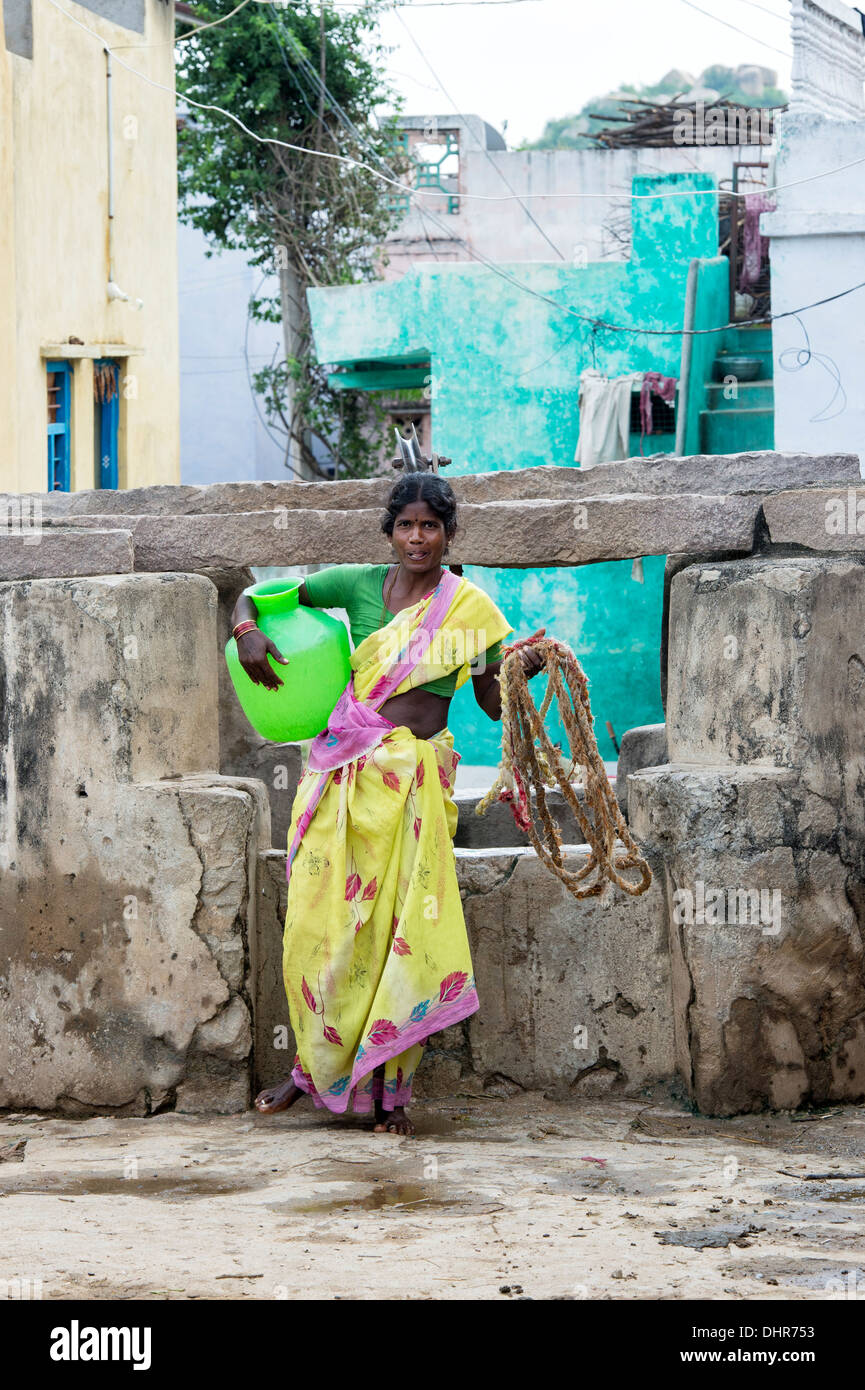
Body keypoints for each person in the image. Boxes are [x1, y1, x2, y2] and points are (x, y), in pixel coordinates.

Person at [231, 472, 544, 1135]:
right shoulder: (354, 586)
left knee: (405, 934)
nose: (417, 538)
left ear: (448, 534)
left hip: (413, 782)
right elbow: (258, 595)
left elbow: (488, 704)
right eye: (406, 525)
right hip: (342, 772)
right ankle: (310, 1074)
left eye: (430, 526)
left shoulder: (470, 611)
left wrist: (520, 670)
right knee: (323, 930)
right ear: (390, 530)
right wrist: (244, 631)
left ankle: (392, 1098)